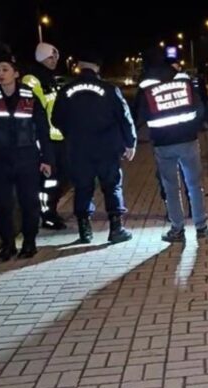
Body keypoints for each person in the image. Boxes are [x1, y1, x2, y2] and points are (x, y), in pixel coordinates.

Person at [0, 51, 54, 261]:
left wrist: (47, 159)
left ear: (16, 73)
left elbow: (43, 130)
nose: (0, 73)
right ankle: (7, 244)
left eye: (5, 69)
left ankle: (29, 242)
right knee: (2, 205)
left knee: (29, 203)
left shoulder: (29, 97)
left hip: (27, 159)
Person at [52, 50, 137, 244]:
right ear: (97, 67)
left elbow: (56, 118)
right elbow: (124, 117)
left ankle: (85, 232)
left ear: (79, 66)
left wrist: (71, 134)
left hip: (78, 149)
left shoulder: (66, 90)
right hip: (107, 148)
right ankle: (116, 230)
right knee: (112, 186)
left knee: (82, 188)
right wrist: (129, 142)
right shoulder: (108, 89)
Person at [135, 51, 208, 243]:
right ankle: (201, 227)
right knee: (194, 185)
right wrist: (192, 126)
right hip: (188, 140)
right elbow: (200, 108)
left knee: (171, 188)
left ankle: (177, 229)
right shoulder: (184, 82)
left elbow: (140, 116)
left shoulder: (147, 87)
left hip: (163, 144)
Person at [22, 42, 69, 230]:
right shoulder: (32, 79)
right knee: (48, 181)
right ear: (41, 57)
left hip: (57, 138)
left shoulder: (50, 78)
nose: (54, 60)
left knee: (59, 179)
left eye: (56, 57)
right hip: (44, 139)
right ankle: (47, 215)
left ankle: (52, 211)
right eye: (51, 57)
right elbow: (35, 111)